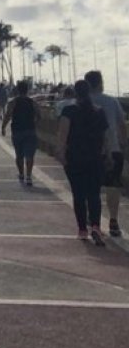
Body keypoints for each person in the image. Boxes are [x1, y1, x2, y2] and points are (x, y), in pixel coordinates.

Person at [58, 79, 109, 245]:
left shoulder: (68, 110)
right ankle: (95, 225)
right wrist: (105, 154)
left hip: (75, 158)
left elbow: (63, 134)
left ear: (75, 93)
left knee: (78, 194)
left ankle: (82, 230)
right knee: (94, 194)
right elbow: (105, 137)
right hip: (95, 158)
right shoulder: (98, 111)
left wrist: (62, 154)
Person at [85, 70, 126, 238]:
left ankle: (93, 219)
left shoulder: (81, 102)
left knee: (91, 187)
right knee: (113, 186)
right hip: (114, 149)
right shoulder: (112, 101)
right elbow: (121, 124)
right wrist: (123, 144)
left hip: (89, 152)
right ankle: (114, 221)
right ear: (101, 82)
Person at [0, 80, 38, 187]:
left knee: (19, 154)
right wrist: (34, 122)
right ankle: (29, 176)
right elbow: (39, 116)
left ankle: (21, 174)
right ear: (27, 90)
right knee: (29, 155)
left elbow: (7, 116)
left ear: (17, 90)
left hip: (17, 131)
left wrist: (3, 127)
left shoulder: (13, 102)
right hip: (30, 130)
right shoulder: (32, 102)